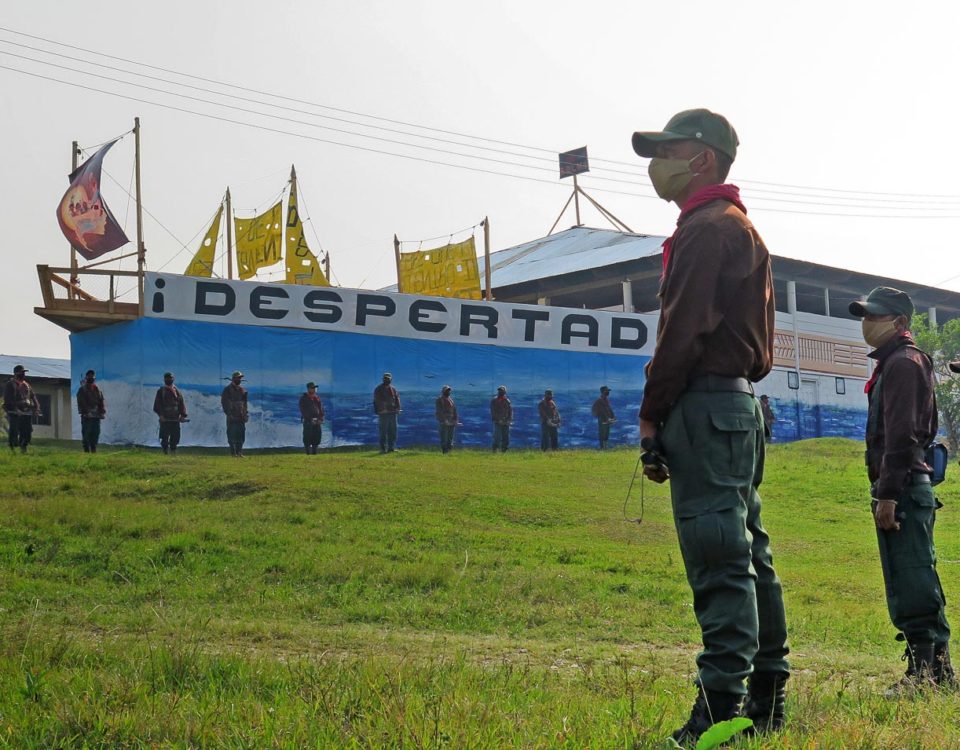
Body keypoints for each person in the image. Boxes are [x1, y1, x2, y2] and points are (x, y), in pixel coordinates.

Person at [632, 109, 789, 744]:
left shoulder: (706, 229)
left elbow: (681, 334)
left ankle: (720, 710)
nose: (655, 164)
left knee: (719, 556)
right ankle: (768, 697)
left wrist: (652, 411)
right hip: (736, 405)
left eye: (667, 150)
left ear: (702, 158)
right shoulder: (738, 226)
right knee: (750, 553)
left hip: (704, 405)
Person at [849, 287, 953, 696]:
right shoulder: (895, 363)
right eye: (865, 316)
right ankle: (940, 675)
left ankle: (924, 677)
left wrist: (888, 494)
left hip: (905, 487)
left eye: (875, 316)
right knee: (916, 576)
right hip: (905, 486)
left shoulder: (904, 365)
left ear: (900, 323)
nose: (866, 324)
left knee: (911, 579)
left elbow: (902, 435)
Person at [3, 364, 41, 453]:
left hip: (26, 411)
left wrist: (37, 408)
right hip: (14, 412)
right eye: (21, 372)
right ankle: (12, 448)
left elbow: (33, 397)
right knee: (14, 431)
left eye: (24, 372)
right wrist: (16, 409)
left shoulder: (27, 385)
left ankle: (23, 446)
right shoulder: (10, 384)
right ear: (16, 373)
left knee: (27, 431)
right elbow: (9, 399)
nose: (23, 374)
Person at [153, 372, 188, 454]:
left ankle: (173, 451)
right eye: (167, 378)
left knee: (175, 436)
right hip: (165, 418)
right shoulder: (161, 391)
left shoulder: (177, 391)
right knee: (164, 436)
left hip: (175, 418)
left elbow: (181, 403)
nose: (169, 379)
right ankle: (165, 450)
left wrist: (183, 415)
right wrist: (161, 415)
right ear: (164, 379)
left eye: (171, 378)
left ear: (173, 379)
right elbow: (157, 405)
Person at [76, 369, 106, 453]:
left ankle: (93, 450)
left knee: (95, 434)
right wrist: (86, 412)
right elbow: (81, 402)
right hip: (87, 416)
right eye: (89, 376)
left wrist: (102, 411)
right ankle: (86, 451)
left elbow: (101, 401)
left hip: (96, 416)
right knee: (86, 435)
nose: (91, 378)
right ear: (86, 378)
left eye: (92, 376)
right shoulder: (82, 390)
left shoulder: (97, 390)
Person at [221, 371, 249, 457]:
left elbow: (245, 404)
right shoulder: (227, 389)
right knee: (232, 435)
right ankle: (233, 453)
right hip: (232, 416)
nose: (240, 379)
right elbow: (224, 402)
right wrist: (229, 414)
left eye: (240, 378)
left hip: (241, 416)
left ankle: (239, 452)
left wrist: (246, 414)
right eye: (238, 378)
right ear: (233, 378)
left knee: (241, 435)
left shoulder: (243, 390)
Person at [373, 372, 401, 453]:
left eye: (388, 379)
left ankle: (391, 448)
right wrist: (382, 409)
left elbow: (397, 399)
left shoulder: (393, 389)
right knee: (383, 432)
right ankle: (382, 449)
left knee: (393, 431)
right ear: (383, 379)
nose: (387, 380)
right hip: (383, 414)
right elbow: (377, 400)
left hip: (392, 413)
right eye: (385, 378)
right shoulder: (378, 389)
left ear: (391, 379)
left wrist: (398, 408)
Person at [299, 382, 325, 455]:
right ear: (308, 389)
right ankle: (308, 453)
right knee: (307, 437)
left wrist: (321, 418)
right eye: (312, 388)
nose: (314, 389)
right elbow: (303, 410)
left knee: (316, 437)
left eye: (315, 388)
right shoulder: (303, 398)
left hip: (317, 420)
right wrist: (310, 419)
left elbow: (321, 408)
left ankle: (314, 453)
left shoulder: (317, 398)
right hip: (308, 421)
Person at [591, 385, 616, 449]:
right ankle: (602, 447)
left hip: (607, 420)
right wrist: (605, 417)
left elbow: (609, 409)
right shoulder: (599, 401)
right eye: (606, 391)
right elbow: (598, 411)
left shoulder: (606, 400)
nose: (608, 392)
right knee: (602, 433)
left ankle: (605, 447)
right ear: (602, 392)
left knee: (606, 433)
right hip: (602, 420)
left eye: (608, 391)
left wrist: (613, 417)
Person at [435, 385, 458, 454]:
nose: (448, 392)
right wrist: (444, 420)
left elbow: (455, 410)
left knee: (450, 437)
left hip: (451, 421)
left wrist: (456, 420)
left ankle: (449, 451)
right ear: (443, 391)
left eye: (449, 390)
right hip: (444, 421)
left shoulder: (451, 400)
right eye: (447, 390)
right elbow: (439, 411)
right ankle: (445, 451)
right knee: (444, 437)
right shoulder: (439, 399)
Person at [490, 385, 512, 452]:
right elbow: (493, 411)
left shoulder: (507, 401)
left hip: (506, 421)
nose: (500, 392)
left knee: (506, 437)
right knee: (497, 437)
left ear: (505, 392)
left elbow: (510, 411)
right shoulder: (494, 400)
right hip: (497, 422)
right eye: (499, 391)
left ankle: (504, 450)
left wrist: (509, 420)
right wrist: (498, 419)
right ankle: (495, 450)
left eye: (502, 391)